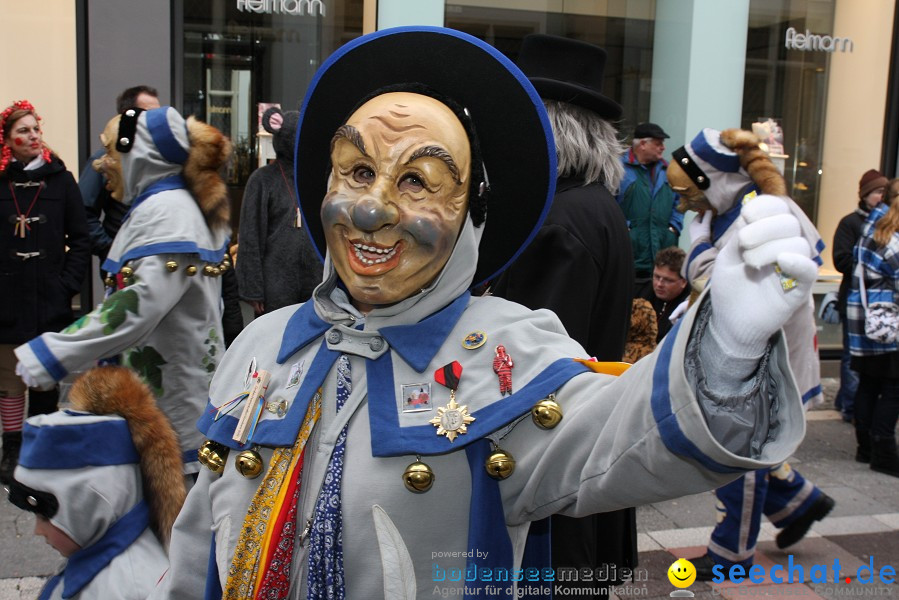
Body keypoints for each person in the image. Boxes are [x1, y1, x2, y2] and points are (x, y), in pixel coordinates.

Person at [153, 28, 818, 599]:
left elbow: (628, 439)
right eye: (356, 170)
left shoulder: (508, 351)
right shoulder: (259, 347)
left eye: (416, 180)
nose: (370, 208)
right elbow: (196, 551)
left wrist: (728, 344)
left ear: (471, 215)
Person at [490, 34, 635, 599]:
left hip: (558, 459)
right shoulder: (594, 205)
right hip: (586, 445)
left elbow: (531, 367)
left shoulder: (559, 219)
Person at [14, 106, 232, 476]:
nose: (101, 165)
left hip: (171, 403)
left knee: (172, 517)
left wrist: (52, 352)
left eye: (111, 153)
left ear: (141, 156)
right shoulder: (168, 205)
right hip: (171, 391)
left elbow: (138, 306)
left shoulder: (167, 211)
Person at [667, 127, 834, 578]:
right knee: (751, 445)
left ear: (710, 182)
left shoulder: (754, 215)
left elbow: (712, 282)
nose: (683, 204)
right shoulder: (728, 212)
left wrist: (698, 244)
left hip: (758, 360)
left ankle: (731, 553)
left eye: (686, 193)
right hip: (750, 357)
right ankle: (801, 502)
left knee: (735, 453)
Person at [6, 365, 186, 599]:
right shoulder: (102, 566)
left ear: (89, 503)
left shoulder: (131, 587)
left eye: (44, 515)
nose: (38, 531)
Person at [0, 100, 90, 484]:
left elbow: (81, 240)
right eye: (23, 131)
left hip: (48, 298)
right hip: (6, 297)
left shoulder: (61, 180)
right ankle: (12, 449)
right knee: (8, 377)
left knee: (44, 376)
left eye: (36, 129)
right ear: (8, 140)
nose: (32, 136)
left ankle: (39, 449)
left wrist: (65, 285)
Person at [236, 106, 323, 316]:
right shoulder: (262, 179)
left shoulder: (319, 179)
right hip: (274, 283)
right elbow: (250, 236)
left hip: (316, 281)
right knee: (274, 340)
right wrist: (253, 290)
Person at [846, 189, 899, 477]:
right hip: (888, 326)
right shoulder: (892, 242)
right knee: (893, 389)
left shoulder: (870, 230)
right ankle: (884, 452)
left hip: (865, 322)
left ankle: (864, 447)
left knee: (869, 384)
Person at [79, 85, 161, 269]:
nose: (155, 120)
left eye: (158, 114)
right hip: (124, 265)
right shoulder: (106, 159)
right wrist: (110, 249)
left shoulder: (162, 159)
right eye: (147, 113)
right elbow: (82, 212)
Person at [832, 169, 888, 422]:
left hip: (882, 304)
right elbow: (840, 260)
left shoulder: (888, 225)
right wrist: (873, 263)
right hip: (855, 301)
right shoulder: (850, 223)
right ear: (865, 195)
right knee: (852, 357)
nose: (881, 197)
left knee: (874, 361)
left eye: (884, 192)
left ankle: (855, 402)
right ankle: (850, 406)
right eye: (877, 192)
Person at [617, 121, 682, 297]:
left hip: (661, 259)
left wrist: (674, 227)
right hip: (629, 260)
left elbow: (679, 201)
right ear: (643, 144)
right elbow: (608, 204)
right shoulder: (618, 169)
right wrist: (625, 228)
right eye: (658, 143)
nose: (663, 147)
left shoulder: (668, 170)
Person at [642, 246, 690, 342]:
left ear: (684, 282)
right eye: (656, 276)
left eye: (668, 280)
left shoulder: (689, 305)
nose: (659, 284)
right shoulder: (640, 291)